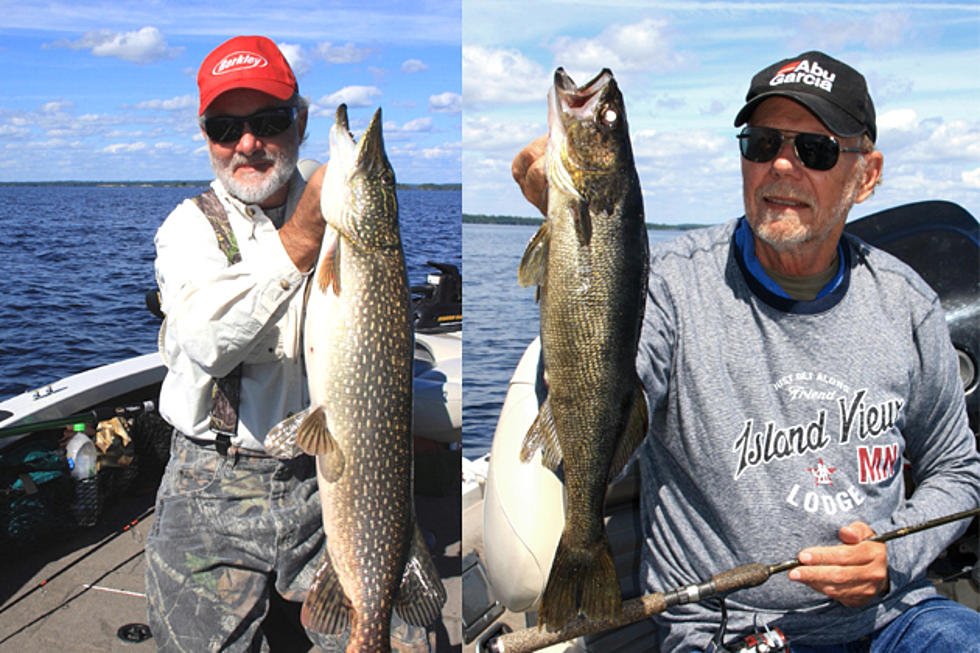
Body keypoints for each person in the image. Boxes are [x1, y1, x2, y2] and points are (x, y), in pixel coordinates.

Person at [512, 51, 980, 651]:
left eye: (816, 149)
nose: (782, 163)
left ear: (866, 175)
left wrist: (894, 552)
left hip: (894, 619)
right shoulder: (671, 288)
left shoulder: (907, 302)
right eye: (761, 142)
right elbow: (601, 396)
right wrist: (569, 249)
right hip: (728, 630)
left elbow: (957, 471)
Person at [146, 35, 430, 652]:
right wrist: (301, 237)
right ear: (207, 137)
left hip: (330, 473)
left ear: (299, 121)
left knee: (408, 639)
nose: (247, 143)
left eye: (268, 121)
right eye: (226, 127)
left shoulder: (351, 230)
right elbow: (203, 342)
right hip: (211, 482)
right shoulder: (189, 229)